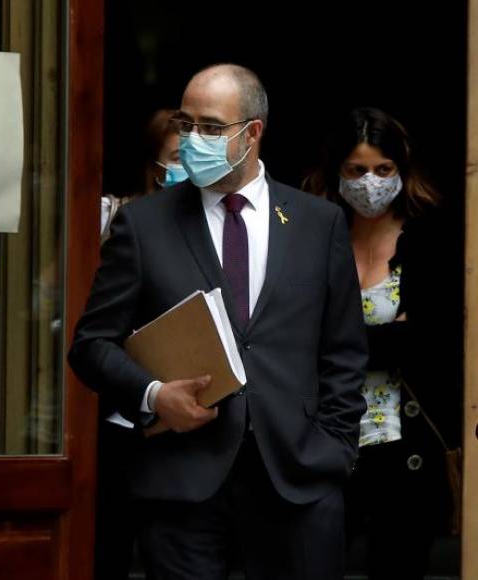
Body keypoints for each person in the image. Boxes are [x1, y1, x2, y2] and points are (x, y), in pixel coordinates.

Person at [69, 63, 368, 579]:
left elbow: (343, 351)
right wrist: (154, 395)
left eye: (210, 127)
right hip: (183, 488)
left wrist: (334, 448)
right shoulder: (143, 224)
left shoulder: (319, 225)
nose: (193, 140)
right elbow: (92, 344)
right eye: (186, 125)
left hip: (298, 481)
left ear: (253, 133)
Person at [303, 107, 458, 579]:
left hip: (404, 450)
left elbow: (431, 344)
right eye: (357, 170)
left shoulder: (432, 240)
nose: (370, 182)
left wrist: (339, 343)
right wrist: (389, 339)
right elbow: (294, 339)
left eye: (383, 169)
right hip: (329, 446)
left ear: (402, 169)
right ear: (337, 172)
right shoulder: (313, 240)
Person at [95, 107, 184, 580]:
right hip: (119, 412)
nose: (185, 165)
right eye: (176, 156)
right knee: (108, 545)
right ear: (155, 163)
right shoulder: (113, 216)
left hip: (190, 415)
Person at [100, 108, 184, 240]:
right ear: (155, 167)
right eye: (179, 159)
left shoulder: (208, 221)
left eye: (194, 158)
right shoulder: (108, 215)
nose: (189, 168)